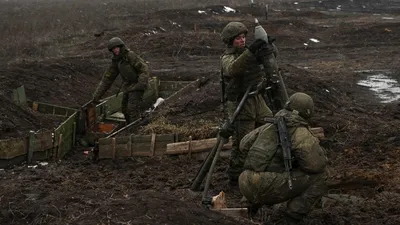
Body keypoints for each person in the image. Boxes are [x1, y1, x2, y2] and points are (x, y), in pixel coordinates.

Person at [238, 92, 328, 225]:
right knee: (322, 176)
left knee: (264, 170)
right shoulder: (300, 132)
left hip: (244, 181)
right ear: (307, 112)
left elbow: (243, 145)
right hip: (263, 185)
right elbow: (315, 165)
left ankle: (247, 208)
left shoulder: (269, 125)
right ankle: (289, 219)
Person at [220, 21, 276, 185]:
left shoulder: (248, 53)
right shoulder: (227, 58)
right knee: (243, 142)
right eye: (238, 38)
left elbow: (270, 60)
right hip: (241, 104)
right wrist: (251, 51)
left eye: (244, 37)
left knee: (270, 126)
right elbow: (233, 69)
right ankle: (236, 177)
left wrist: (269, 47)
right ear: (230, 41)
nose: (242, 41)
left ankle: (262, 166)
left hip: (256, 98)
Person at [92, 37, 149, 124]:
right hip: (128, 86)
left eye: (116, 48)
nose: (115, 50)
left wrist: (140, 84)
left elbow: (143, 69)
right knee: (125, 109)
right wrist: (97, 96)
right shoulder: (116, 61)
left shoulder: (130, 56)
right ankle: (130, 126)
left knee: (132, 108)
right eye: (113, 49)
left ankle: (136, 129)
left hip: (137, 84)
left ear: (121, 47)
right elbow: (107, 79)